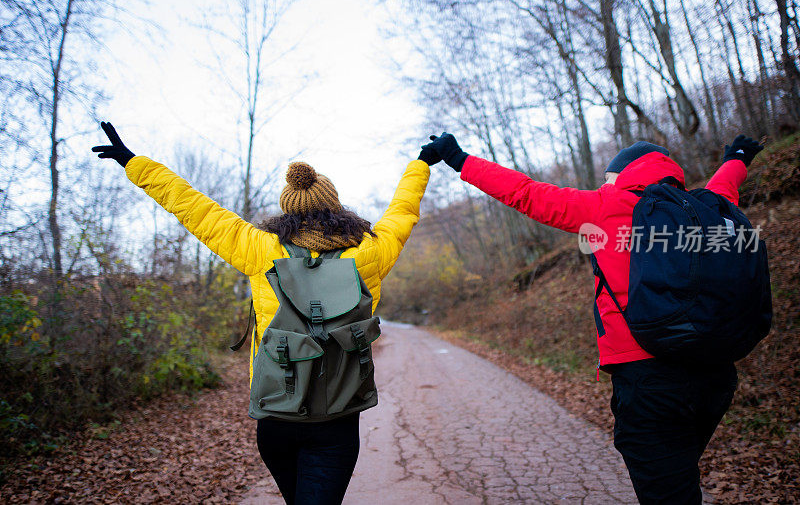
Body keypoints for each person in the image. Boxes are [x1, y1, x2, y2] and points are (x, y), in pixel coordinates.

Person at [91, 121, 440, 505]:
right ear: (336, 206)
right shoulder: (371, 252)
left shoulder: (260, 250)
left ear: (287, 211)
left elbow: (196, 209)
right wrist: (422, 162)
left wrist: (134, 163)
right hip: (338, 418)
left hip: (277, 416)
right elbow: (403, 210)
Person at [421, 132, 763, 504]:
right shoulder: (707, 207)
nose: (603, 182)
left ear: (621, 175)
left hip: (650, 376)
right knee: (677, 476)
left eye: (607, 177)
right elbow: (724, 187)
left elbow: (526, 193)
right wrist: (738, 158)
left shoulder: (607, 204)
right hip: (717, 373)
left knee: (668, 491)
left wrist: (458, 158)